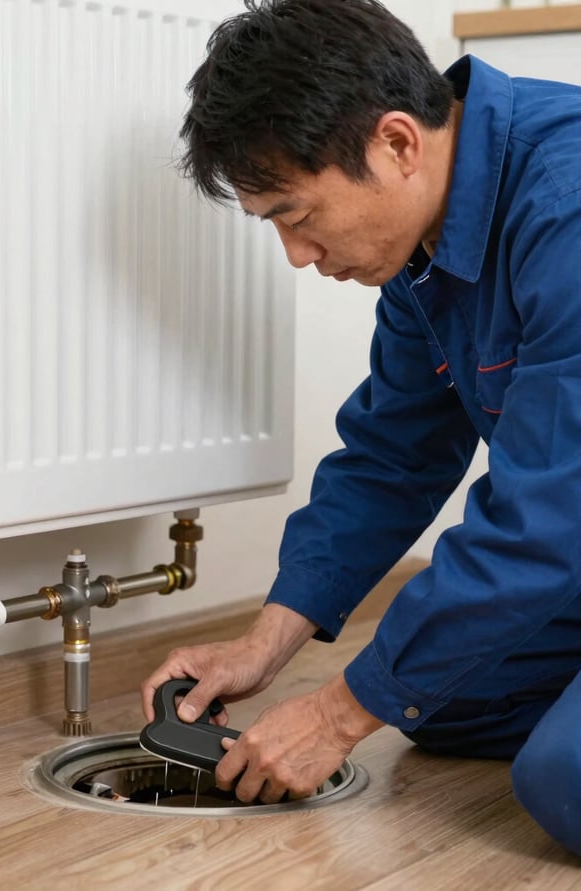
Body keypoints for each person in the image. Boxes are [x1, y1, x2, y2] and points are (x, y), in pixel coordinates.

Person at [141, 0, 581, 856]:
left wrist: (339, 715)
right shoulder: (429, 239)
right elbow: (393, 452)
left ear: (396, 144)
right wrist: (266, 643)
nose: (297, 256)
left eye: (297, 216)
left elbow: (548, 521)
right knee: (445, 694)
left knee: (561, 776)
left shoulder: (567, 208)